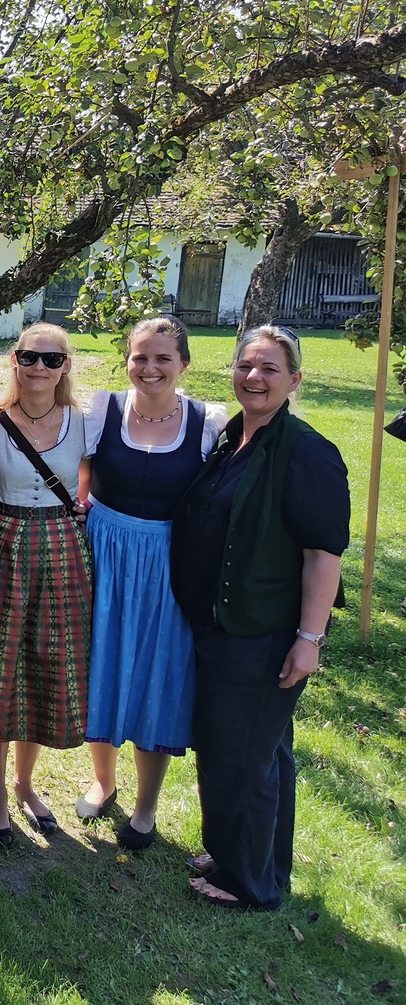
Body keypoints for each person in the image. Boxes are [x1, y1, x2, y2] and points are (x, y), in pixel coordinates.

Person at [172, 326, 348, 910]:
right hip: (224, 622)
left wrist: (309, 639)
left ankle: (246, 882)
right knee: (263, 749)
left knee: (238, 753)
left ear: (295, 379)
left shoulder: (306, 451)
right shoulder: (235, 437)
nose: (254, 377)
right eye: (246, 365)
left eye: (270, 368)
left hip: (261, 629)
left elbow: (323, 555)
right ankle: (256, 859)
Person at [77, 317, 229, 850]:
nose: (150, 367)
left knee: (157, 672)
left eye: (163, 357)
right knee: (102, 663)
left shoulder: (207, 424)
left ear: (184, 363)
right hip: (104, 553)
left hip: (169, 561)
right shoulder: (102, 411)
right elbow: (80, 479)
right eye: (140, 356)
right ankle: (103, 781)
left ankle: (146, 807)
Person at [0, 323, 92, 845]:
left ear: (65, 366)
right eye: (29, 357)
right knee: (0, 665)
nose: (39, 367)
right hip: (4, 541)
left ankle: (24, 784)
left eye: (51, 359)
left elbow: (94, 485)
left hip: (63, 549)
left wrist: (82, 510)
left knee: (43, 664)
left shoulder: (84, 422)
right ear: (14, 360)